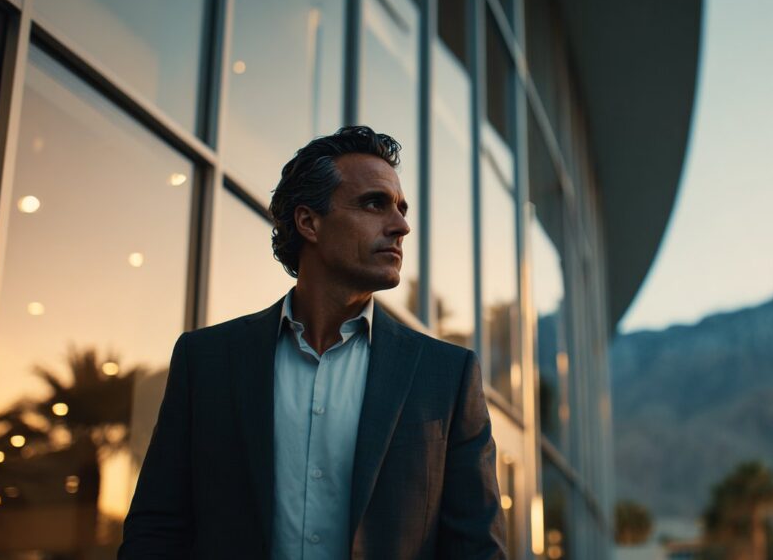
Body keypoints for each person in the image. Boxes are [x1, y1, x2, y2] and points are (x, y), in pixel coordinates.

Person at [119, 126, 506, 559]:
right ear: (309, 222)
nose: (401, 226)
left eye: (400, 208)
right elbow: (157, 530)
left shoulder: (446, 376)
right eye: (375, 204)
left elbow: (477, 547)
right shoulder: (207, 360)